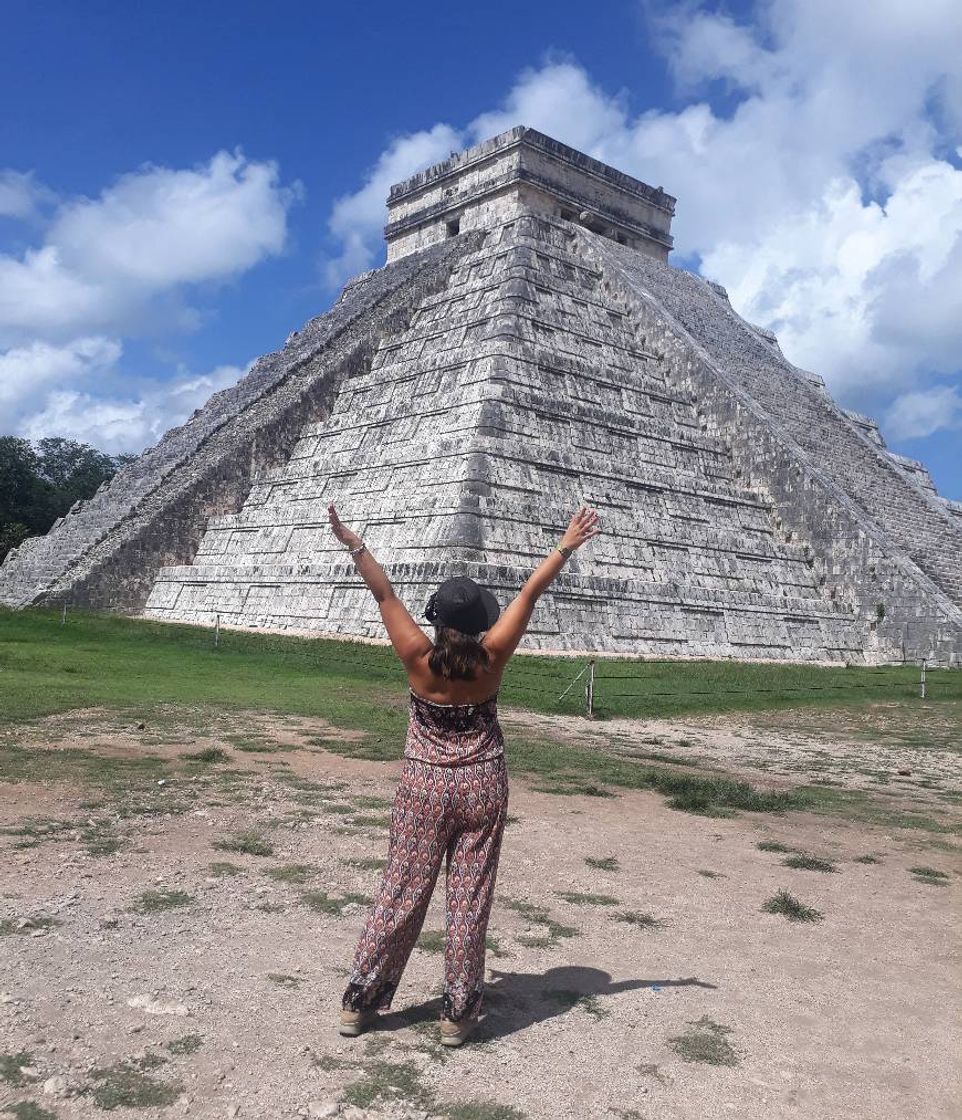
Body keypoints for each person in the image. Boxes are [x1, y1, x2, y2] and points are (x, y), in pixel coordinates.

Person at [327, 503, 600, 1046]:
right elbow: (529, 594)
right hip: (481, 783)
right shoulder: (492, 657)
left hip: (424, 785)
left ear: (438, 621)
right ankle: (457, 1011)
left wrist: (355, 544)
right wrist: (566, 545)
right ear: (480, 624)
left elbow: (384, 595)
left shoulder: (416, 657)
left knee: (402, 890)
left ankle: (360, 1001)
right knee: (470, 897)